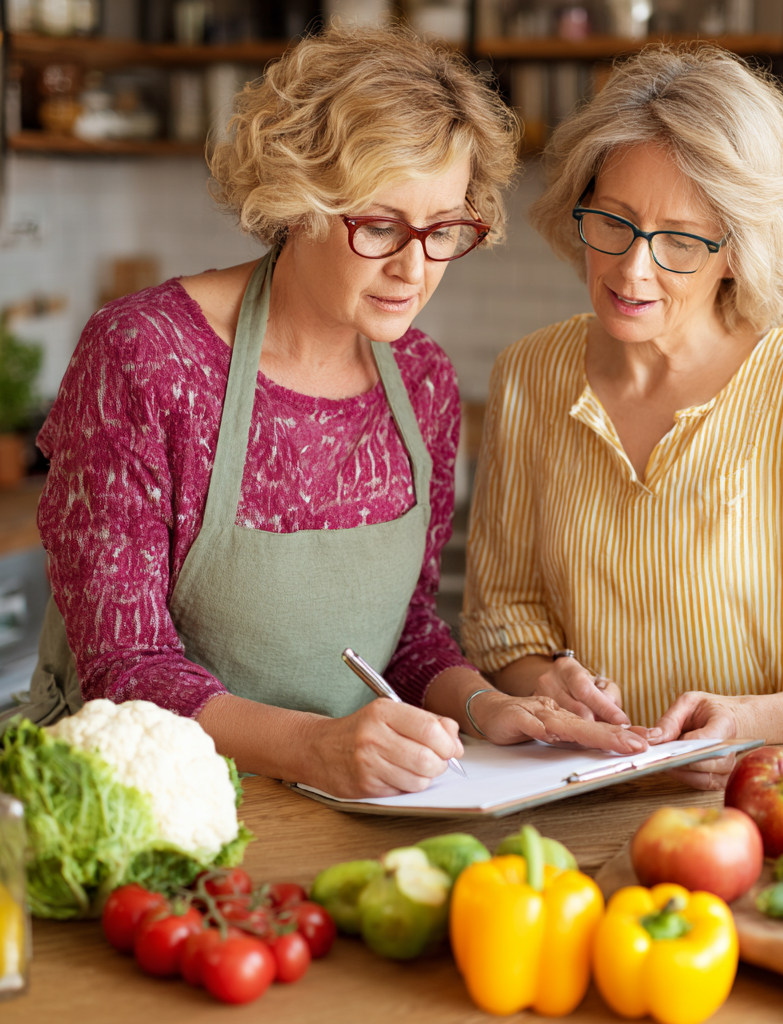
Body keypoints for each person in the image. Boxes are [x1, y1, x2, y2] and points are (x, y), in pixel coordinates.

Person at [23, 26, 648, 799]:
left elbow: (405, 634)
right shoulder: (147, 356)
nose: (414, 268)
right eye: (380, 225)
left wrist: (490, 706)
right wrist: (318, 748)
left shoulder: (420, 381)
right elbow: (125, 668)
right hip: (133, 815)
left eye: (443, 229)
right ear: (298, 203)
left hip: (331, 809)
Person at [461, 43, 783, 790]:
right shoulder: (529, 377)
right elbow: (504, 615)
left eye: (679, 241)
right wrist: (549, 682)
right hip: (575, 794)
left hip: (769, 809)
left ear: (736, 253)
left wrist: (743, 721)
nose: (631, 268)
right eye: (612, 221)